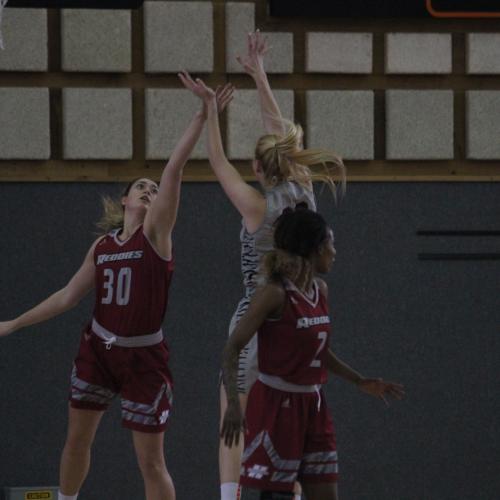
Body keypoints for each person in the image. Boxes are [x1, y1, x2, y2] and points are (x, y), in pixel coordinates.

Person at [0, 83, 233, 500]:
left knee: (151, 461)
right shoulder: (103, 247)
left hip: (144, 357)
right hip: (98, 350)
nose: (150, 190)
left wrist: (202, 115)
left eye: (154, 189)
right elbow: (68, 296)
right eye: (141, 186)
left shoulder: (157, 235)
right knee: (76, 440)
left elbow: (174, 170)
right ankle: (66, 499)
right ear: (125, 199)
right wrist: (13, 323)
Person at [179, 30, 346, 500]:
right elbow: (278, 126)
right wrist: (260, 76)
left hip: (259, 314)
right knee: (289, 418)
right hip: (296, 320)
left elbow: (214, 161)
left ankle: (230, 496)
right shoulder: (304, 190)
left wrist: (212, 113)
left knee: (234, 420)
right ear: (285, 160)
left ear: (256, 167)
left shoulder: (257, 205)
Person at [220, 207, 405, 500]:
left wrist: (360, 380)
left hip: (314, 404)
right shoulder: (274, 294)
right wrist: (232, 403)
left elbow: (319, 352)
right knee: (277, 495)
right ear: (314, 249)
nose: (335, 251)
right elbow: (232, 348)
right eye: (331, 243)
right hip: (276, 405)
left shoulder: (321, 290)